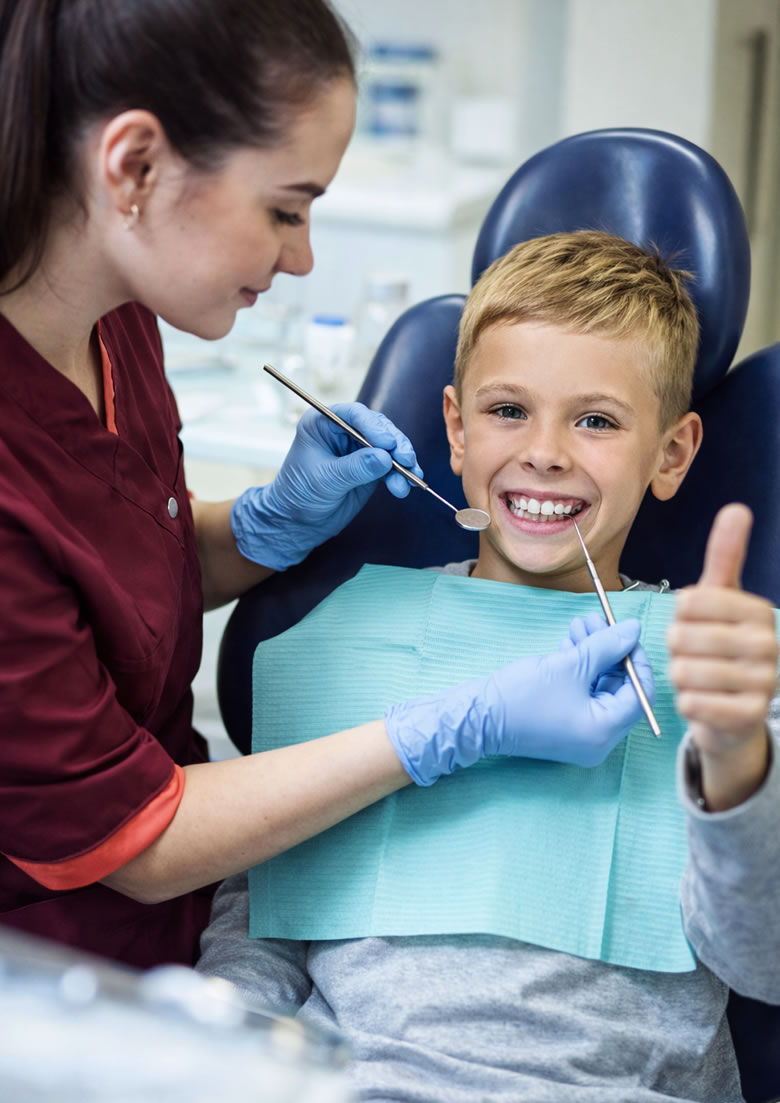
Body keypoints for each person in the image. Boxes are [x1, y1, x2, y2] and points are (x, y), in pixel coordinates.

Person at [0, 2, 649, 970]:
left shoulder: (114, 317)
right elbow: (128, 836)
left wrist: (256, 528)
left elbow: (108, 566)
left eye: (595, 420)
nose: (301, 257)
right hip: (58, 968)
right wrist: (449, 731)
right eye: (285, 208)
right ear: (134, 167)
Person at [196, 231, 780, 1102]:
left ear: (673, 453)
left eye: (596, 420)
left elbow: (763, 960)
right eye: (508, 411)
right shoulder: (348, 631)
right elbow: (262, 935)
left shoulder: (723, 661)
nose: (544, 451)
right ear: (456, 432)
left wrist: (735, 755)